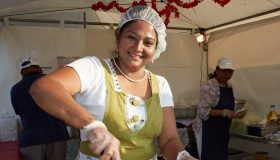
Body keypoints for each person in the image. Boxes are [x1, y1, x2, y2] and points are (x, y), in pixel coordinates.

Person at [29, 5, 197, 160]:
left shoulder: (160, 84)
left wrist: (183, 156)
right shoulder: (94, 70)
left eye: (148, 42)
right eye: (132, 37)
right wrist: (92, 125)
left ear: (155, 48)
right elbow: (43, 88)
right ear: (118, 36)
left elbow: (168, 140)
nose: (138, 47)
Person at [10, 56, 70, 160]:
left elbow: (19, 112)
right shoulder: (55, 80)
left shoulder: (15, 90)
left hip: (31, 140)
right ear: (39, 68)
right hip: (57, 136)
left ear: (21, 72)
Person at [193, 57, 242, 160]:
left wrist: (235, 113)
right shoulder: (209, 85)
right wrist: (224, 112)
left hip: (222, 131)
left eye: (230, 72)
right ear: (217, 69)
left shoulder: (229, 86)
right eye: (224, 71)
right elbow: (202, 111)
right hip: (208, 131)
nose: (227, 75)